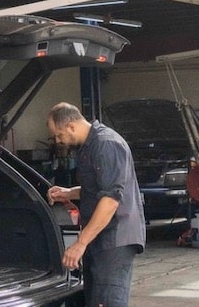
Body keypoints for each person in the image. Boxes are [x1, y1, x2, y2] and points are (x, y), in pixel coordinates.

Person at [45, 102, 145, 307]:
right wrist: (69, 193)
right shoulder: (89, 147)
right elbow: (97, 189)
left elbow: (110, 201)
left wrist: (80, 243)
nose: (57, 141)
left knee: (106, 302)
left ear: (71, 126)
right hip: (99, 239)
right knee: (95, 300)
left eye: (58, 135)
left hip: (114, 239)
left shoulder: (106, 144)